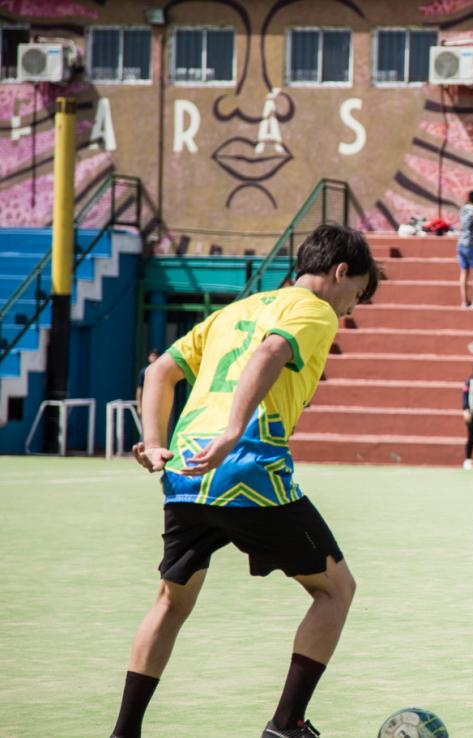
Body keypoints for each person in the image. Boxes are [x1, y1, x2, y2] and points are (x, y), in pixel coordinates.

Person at [112, 224, 378, 738]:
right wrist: (235, 431)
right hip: (248, 468)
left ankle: (124, 733)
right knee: (336, 590)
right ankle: (286, 724)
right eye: (357, 293)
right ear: (340, 271)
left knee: (170, 602)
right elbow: (269, 354)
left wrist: (153, 441)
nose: (351, 307)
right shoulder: (315, 309)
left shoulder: (236, 310)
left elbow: (159, 371)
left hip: (185, 471)